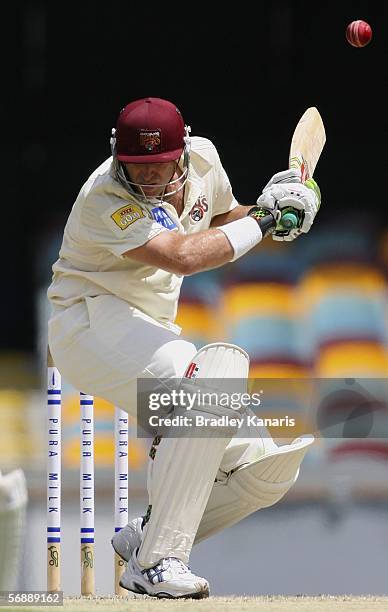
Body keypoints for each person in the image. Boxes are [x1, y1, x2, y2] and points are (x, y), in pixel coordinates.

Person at [47, 97, 320, 599]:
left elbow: (225, 219)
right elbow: (184, 257)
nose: (148, 180)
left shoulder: (205, 160)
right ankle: (155, 564)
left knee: (265, 469)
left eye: (158, 167)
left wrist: (280, 211)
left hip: (148, 330)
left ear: (183, 151)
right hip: (86, 322)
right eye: (136, 168)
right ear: (117, 157)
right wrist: (262, 220)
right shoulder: (102, 197)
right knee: (210, 374)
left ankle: (148, 536)